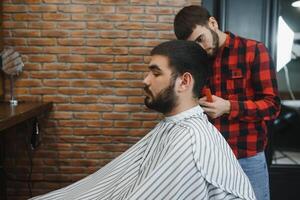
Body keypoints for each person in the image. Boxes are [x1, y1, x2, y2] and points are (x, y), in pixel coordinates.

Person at [30, 40, 255, 200]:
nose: (145, 80)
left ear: (184, 82)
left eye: (155, 73)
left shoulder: (190, 140)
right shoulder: (177, 126)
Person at [174, 5, 281, 200]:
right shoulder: (196, 61)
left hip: (247, 158)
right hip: (208, 159)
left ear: (213, 23)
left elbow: (272, 106)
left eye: (200, 39)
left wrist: (229, 106)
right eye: (193, 45)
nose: (200, 48)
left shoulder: (254, 50)